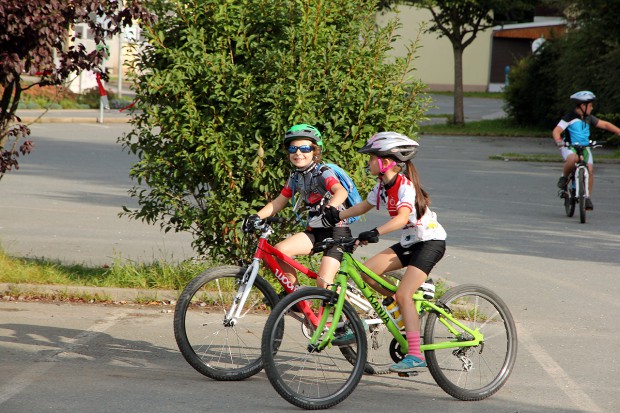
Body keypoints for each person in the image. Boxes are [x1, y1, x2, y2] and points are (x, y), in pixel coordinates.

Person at [321, 132, 447, 372]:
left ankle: (415, 354)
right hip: (411, 242)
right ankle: (398, 304)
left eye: (371, 158)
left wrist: (375, 232)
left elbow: (400, 219)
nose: (367, 162)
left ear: (386, 161)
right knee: (367, 273)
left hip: (430, 242)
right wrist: (337, 214)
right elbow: (363, 206)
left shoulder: (404, 186)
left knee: (404, 295)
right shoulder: (382, 186)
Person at [242, 123, 352, 292]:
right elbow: (279, 202)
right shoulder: (295, 176)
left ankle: (349, 311)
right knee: (280, 251)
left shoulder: (323, 172)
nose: (298, 153)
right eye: (293, 149)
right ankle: (294, 295)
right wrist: (256, 217)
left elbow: (341, 192)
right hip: (315, 231)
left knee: (323, 283)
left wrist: (330, 207)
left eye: (305, 148)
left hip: (337, 232)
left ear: (315, 151)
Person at [552, 91, 620, 210]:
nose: (592, 107)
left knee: (590, 169)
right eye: (590, 105)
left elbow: (604, 125)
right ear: (583, 106)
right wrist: (558, 140)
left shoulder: (588, 118)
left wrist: (618, 131)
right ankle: (564, 177)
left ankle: (587, 197)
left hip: (584, 147)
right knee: (573, 158)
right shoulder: (569, 117)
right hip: (569, 146)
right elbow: (556, 130)